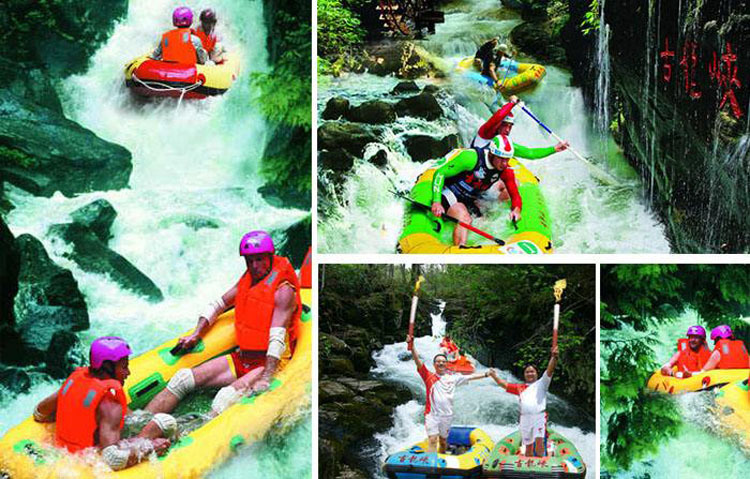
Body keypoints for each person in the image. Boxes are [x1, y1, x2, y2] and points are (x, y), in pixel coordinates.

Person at [143, 230, 302, 418]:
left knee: (224, 399)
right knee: (182, 379)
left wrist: (267, 377)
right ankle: (138, 420)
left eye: (259, 259)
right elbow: (218, 305)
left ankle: (185, 440)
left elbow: (277, 337)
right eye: (249, 260)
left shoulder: (283, 291)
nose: (254, 265)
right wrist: (196, 334)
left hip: (270, 363)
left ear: (270, 256)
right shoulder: (248, 280)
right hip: (243, 357)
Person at [33, 337, 174, 470]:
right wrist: (148, 448)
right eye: (124, 367)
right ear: (107, 367)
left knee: (137, 416)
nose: (128, 372)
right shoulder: (110, 405)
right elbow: (113, 459)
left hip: (69, 449)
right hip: (91, 456)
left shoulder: (74, 383)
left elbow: (40, 413)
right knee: (165, 421)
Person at [407, 333, 490, 453]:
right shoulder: (428, 376)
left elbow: (471, 377)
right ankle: (432, 465)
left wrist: (486, 374)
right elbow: (417, 361)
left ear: (446, 364)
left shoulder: (453, 378)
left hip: (447, 415)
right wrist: (412, 345)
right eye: (438, 362)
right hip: (432, 415)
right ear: (434, 365)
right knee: (432, 440)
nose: (440, 363)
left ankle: (442, 459)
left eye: (443, 362)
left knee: (443, 441)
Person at [488, 345, 558, 457]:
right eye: (527, 372)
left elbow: (550, 370)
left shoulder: (542, 383)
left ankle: (541, 464)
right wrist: (494, 376)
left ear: (537, 373)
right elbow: (503, 384)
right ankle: (528, 465)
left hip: (539, 417)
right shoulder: (520, 387)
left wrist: (554, 357)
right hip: (525, 418)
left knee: (539, 443)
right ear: (524, 375)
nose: (530, 374)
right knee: (528, 445)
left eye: (532, 372)